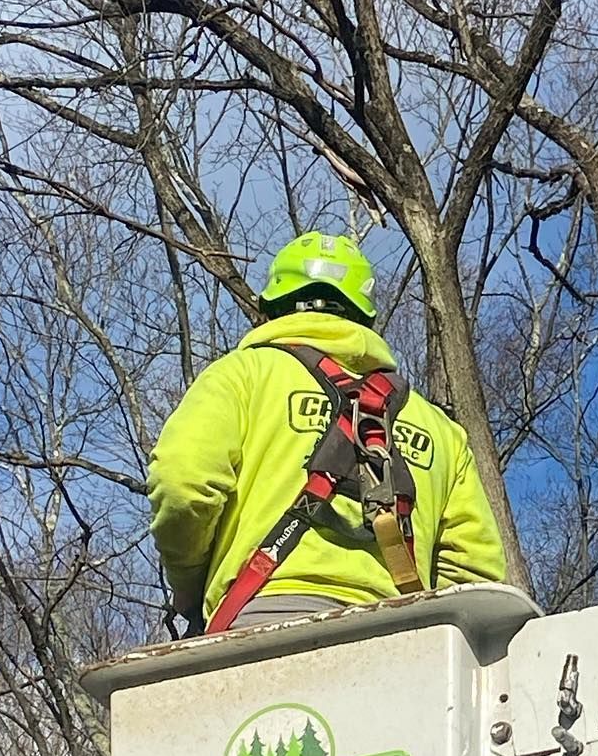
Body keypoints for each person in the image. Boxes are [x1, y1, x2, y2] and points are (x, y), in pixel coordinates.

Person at [148, 231, 506, 630]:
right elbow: (475, 572)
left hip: (260, 630)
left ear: (273, 309)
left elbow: (181, 482)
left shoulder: (242, 376)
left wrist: (189, 582)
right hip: (401, 650)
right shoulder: (440, 430)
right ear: (364, 317)